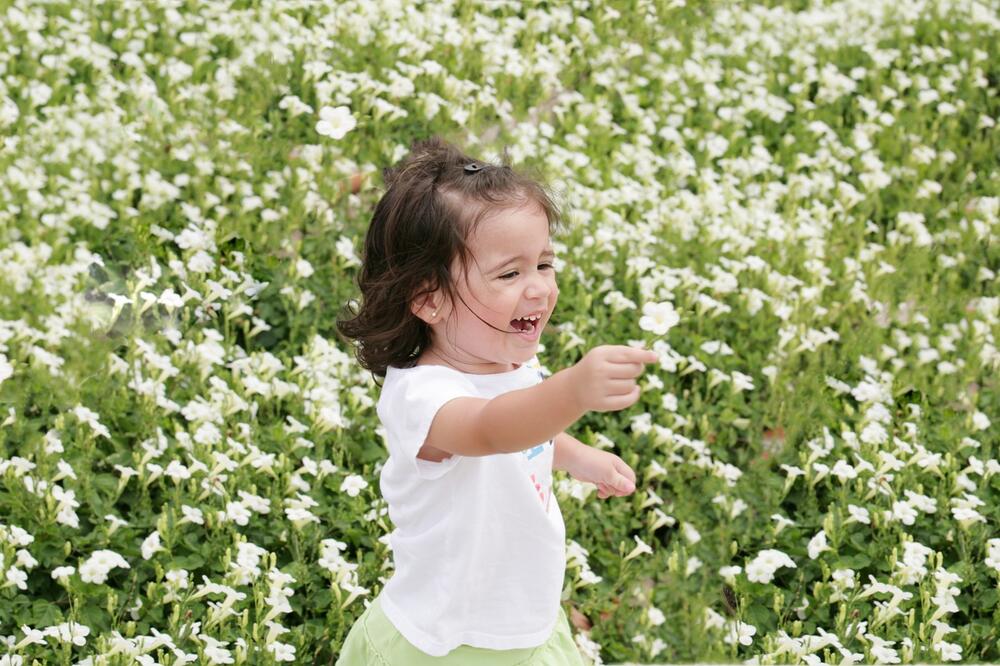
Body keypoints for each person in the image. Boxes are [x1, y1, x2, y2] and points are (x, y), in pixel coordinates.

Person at [334, 136, 659, 665]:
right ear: (428, 299)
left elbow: (528, 429)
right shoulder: (424, 396)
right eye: (510, 273)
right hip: (449, 640)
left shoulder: (513, 364)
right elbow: (490, 429)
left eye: (544, 265)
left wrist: (575, 456)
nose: (537, 289)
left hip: (523, 616)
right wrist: (574, 389)